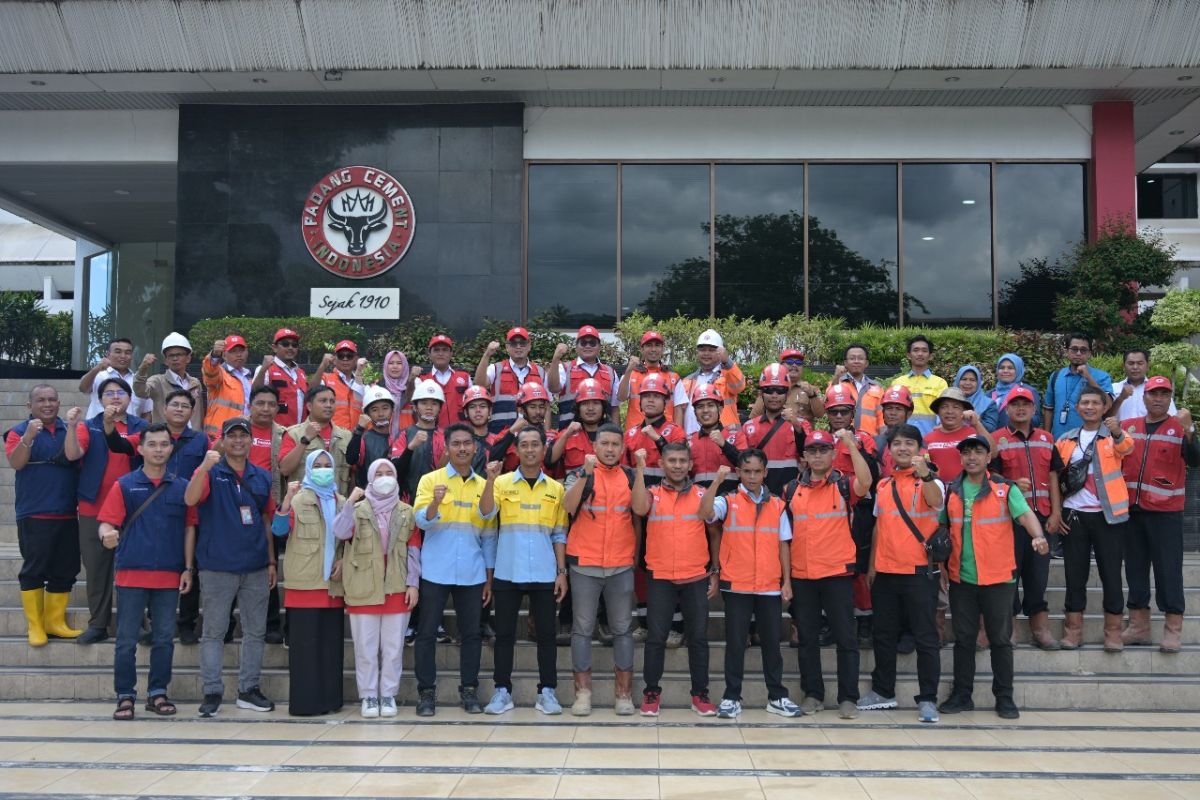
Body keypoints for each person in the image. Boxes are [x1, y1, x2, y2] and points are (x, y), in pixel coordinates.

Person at [939, 434, 1049, 721]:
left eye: (978, 452)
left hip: (999, 577)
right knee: (964, 640)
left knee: (1000, 639)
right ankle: (962, 695)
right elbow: (943, 530)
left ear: (989, 458)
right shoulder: (952, 491)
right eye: (966, 453)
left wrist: (1038, 537)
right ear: (960, 459)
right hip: (962, 578)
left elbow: (1025, 516)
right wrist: (941, 567)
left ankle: (1005, 697)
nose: (971, 457)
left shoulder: (1004, 488)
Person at [97, 423, 196, 720]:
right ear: (140, 449)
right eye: (151, 444)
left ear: (171, 448)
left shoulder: (181, 486)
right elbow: (106, 522)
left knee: (164, 638)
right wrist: (106, 535)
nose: (158, 449)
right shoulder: (125, 485)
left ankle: (157, 693)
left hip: (168, 574)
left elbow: (190, 528)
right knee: (126, 639)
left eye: (164, 444)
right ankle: (125, 695)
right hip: (131, 573)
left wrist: (188, 568)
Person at [185, 418, 277, 718]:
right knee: (213, 631)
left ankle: (248, 689)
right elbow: (190, 498)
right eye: (232, 436)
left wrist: (272, 560)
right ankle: (212, 691)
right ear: (222, 440)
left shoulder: (261, 476)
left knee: (255, 631)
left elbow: (266, 521)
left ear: (251, 441)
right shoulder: (211, 472)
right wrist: (204, 467)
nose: (238, 441)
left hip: (255, 566)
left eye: (244, 436)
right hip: (217, 566)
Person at [700, 453, 801, 719]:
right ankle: (732, 697)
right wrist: (717, 482)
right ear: (739, 472)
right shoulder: (728, 500)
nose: (752, 477)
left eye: (757, 471)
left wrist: (787, 581)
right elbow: (704, 512)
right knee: (735, 644)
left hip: (769, 584)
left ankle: (777, 696)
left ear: (765, 472)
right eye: (747, 471)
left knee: (771, 644)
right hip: (737, 584)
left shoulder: (778, 504)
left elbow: (783, 544)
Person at [858, 423, 945, 724]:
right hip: (885, 571)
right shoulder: (883, 485)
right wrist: (871, 567)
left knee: (925, 637)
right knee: (883, 635)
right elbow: (880, 527)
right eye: (897, 444)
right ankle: (883, 691)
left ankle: (928, 698)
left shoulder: (931, 481)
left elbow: (936, 501)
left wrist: (926, 473)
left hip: (920, 571)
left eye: (910, 443)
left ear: (920, 449)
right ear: (889, 450)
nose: (903, 448)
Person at [479, 429, 569, 715]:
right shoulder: (501, 483)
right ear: (516, 450)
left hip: (544, 572)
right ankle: (502, 691)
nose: (530, 450)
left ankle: (547, 692)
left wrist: (561, 571)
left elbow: (558, 534)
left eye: (536, 445)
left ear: (544, 450)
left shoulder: (556, 489)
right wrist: (490, 481)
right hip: (508, 569)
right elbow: (485, 515)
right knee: (504, 635)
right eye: (525, 445)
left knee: (546, 635)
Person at [412, 423, 498, 716]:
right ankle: (426, 692)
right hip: (436, 569)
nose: (462, 448)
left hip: (473, 572)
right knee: (425, 633)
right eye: (456, 444)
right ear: (446, 448)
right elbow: (422, 521)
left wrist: (488, 578)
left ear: (476, 448)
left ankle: (469, 689)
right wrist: (436, 502)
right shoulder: (430, 480)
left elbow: (488, 527)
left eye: (467, 443)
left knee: (472, 634)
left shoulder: (484, 484)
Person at [785, 429, 872, 719]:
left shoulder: (845, 486)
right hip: (803, 574)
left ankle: (849, 698)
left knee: (846, 639)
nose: (818, 455)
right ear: (805, 457)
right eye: (813, 451)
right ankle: (813, 694)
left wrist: (849, 443)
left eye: (824, 450)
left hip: (836, 573)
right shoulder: (790, 490)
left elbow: (867, 480)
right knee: (807, 639)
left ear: (833, 455)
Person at [631, 441, 718, 717]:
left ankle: (700, 694)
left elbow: (715, 532)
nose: (678, 466)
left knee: (698, 638)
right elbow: (637, 508)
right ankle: (651, 692)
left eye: (683, 461)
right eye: (672, 461)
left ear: (690, 465)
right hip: (661, 576)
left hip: (695, 575)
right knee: (656, 637)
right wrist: (641, 470)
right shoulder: (652, 493)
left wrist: (715, 570)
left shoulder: (702, 494)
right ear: (663, 464)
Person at [1049, 386, 1133, 651]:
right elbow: (1056, 478)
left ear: (1104, 407)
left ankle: (1113, 632)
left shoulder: (1112, 436)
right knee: (1075, 575)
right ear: (1077, 408)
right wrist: (1058, 510)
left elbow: (1127, 448)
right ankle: (1073, 630)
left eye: (1095, 403)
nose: (1089, 407)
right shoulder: (1065, 440)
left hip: (1108, 517)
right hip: (1074, 516)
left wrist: (1117, 430)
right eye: (1084, 402)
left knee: (1111, 574)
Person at [65, 377, 148, 644]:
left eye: (120, 392)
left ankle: (136, 623)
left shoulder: (142, 427)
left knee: (134, 569)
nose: (115, 397)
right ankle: (98, 625)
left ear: (130, 397)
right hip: (94, 507)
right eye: (108, 393)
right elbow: (73, 455)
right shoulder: (89, 427)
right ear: (99, 400)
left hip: (133, 509)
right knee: (98, 570)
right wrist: (70, 426)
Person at [562, 423, 638, 716]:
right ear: (594, 446)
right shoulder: (577, 474)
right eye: (604, 443)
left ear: (622, 448)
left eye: (615, 445)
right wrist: (585, 474)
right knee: (582, 630)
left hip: (620, 564)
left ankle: (624, 693)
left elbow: (640, 512)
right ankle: (582, 693)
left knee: (622, 630)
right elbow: (569, 507)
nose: (609, 449)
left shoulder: (629, 477)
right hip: (585, 564)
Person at [335, 459, 420, 718]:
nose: (385, 477)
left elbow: (414, 550)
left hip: (396, 586)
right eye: (379, 473)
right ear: (370, 478)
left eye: (389, 473)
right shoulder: (358, 508)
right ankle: (369, 696)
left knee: (393, 648)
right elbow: (340, 531)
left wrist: (413, 584)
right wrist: (350, 502)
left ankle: (388, 695)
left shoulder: (407, 511)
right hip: (363, 586)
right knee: (366, 648)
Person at [1120, 376, 1197, 652]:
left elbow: (1196, 459)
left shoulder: (1180, 428)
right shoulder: (1129, 427)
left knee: (1169, 572)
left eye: (1164, 394)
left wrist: (1190, 431)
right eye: (1153, 394)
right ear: (1144, 397)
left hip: (1166, 513)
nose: (1158, 399)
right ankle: (1139, 626)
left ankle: (1172, 629)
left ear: (1170, 398)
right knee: (1135, 570)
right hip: (1133, 511)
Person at [6, 385, 81, 647]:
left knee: (66, 569)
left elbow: (75, 455)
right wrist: (28, 436)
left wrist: (71, 427)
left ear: (59, 403)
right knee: (34, 569)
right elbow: (16, 463)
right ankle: (35, 626)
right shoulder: (16, 432)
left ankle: (55, 623)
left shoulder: (68, 429)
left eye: (52, 399)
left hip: (67, 513)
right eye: (41, 400)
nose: (47, 404)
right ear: (29, 406)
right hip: (34, 512)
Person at [271, 452, 345, 716]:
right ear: (309, 470)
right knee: (305, 649)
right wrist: (287, 499)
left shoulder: (342, 502)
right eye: (318, 466)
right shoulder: (299, 499)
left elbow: (350, 541)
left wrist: (344, 561)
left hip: (333, 586)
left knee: (330, 648)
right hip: (304, 583)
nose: (324, 470)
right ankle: (305, 704)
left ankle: (330, 701)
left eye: (328, 466)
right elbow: (279, 530)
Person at [991, 386, 1063, 649]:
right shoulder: (996, 440)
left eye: (1026, 404)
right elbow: (990, 477)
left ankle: (1040, 629)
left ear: (1034, 409)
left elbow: (1054, 476)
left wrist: (1056, 511)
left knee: (1037, 576)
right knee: (1009, 574)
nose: (1020, 409)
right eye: (1014, 404)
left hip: (1042, 516)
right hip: (1009, 520)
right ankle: (1008, 629)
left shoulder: (1047, 438)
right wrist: (1009, 482)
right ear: (1006, 409)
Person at [824, 384, 881, 651]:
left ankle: (865, 621)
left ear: (852, 413)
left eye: (843, 411)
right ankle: (832, 623)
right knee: (830, 569)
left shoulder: (866, 440)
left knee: (858, 569)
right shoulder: (821, 439)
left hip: (858, 511)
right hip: (827, 513)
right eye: (833, 411)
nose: (838, 416)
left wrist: (851, 444)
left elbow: (871, 474)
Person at [735, 364, 808, 495]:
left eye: (780, 390)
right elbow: (743, 464)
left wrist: (796, 425)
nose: (774, 395)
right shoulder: (748, 427)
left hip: (791, 495)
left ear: (788, 393)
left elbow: (806, 453)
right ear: (762, 393)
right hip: (758, 496)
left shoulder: (802, 425)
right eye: (769, 390)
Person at [278, 384, 352, 495]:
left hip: (337, 505)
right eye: (323, 401)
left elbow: (353, 475)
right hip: (303, 506)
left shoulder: (346, 435)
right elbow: (285, 469)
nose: (328, 405)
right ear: (309, 406)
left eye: (332, 401)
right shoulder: (294, 433)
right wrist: (305, 440)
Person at [476, 326, 549, 434]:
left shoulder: (540, 372)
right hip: (500, 435)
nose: (518, 347)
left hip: (531, 437)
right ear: (507, 347)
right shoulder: (496, 368)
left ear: (529, 346)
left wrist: (546, 435)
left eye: (522, 343)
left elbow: (547, 406)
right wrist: (487, 354)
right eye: (514, 344)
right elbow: (478, 385)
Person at [1043, 333, 1113, 438]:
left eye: (1083, 350)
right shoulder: (1056, 376)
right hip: (1059, 440)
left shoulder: (1101, 376)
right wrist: (1047, 437)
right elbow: (1049, 409)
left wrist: (1088, 377)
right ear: (1067, 351)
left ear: (1089, 353)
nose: (1078, 353)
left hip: (1090, 442)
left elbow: (1108, 404)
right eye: (1074, 349)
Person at [550, 326, 621, 428]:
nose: (588, 346)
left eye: (592, 343)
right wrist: (556, 358)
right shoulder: (564, 368)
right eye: (583, 342)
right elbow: (553, 388)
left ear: (599, 347)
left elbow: (614, 407)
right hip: (569, 434)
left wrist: (616, 434)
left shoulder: (610, 372)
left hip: (602, 436)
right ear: (576, 346)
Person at [390, 379, 448, 503]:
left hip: (439, 502)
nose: (429, 407)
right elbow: (395, 471)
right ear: (415, 407)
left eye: (434, 403)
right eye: (424, 403)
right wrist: (410, 447)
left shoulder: (447, 438)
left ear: (440, 408)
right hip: (407, 502)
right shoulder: (404, 434)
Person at [623, 374, 686, 485]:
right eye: (646, 396)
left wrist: (658, 440)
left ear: (665, 403)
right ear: (640, 401)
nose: (651, 400)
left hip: (667, 495)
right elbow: (623, 471)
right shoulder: (629, 435)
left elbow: (679, 463)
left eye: (656, 396)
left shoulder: (676, 432)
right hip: (636, 495)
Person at [133, 332, 204, 429]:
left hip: (193, 438)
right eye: (170, 355)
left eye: (179, 354)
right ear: (165, 360)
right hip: (166, 439)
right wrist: (142, 369)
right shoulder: (157, 381)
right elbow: (140, 391)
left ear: (188, 358)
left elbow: (199, 414)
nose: (175, 358)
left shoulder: (195, 383)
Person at [618, 330, 688, 429]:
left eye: (657, 345)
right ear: (642, 349)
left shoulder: (673, 377)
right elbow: (621, 397)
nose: (653, 349)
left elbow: (678, 409)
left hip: (665, 435)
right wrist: (628, 371)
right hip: (636, 435)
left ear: (663, 349)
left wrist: (678, 438)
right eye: (649, 345)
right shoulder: (632, 374)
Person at [681, 329, 745, 434]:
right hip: (693, 441)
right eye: (702, 349)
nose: (706, 353)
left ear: (720, 352)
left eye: (711, 350)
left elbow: (739, 386)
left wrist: (727, 362)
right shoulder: (687, 381)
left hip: (725, 440)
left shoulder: (727, 376)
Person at [924, 387, 994, 483]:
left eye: (956, 407)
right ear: (938, 412)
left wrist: (977, 423)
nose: (950, 411)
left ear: (964, 411)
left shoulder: (974, 433)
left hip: (969, 493)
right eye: (944, 407)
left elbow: (993, 453)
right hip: (939, 494)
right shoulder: (928, 438)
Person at [488, 381, 557, 473]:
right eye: (532, 407)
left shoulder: (552, 436)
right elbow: (493, 458)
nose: (538, 412)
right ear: (521, 409)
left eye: (541, 407)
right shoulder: (508, 434)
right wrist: (511, 433)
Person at [251, 327, 311, 428]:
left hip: (299, 432)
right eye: (285, 344)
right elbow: (254, 394)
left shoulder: (301, 372)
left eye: (294, 345)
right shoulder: (266, 369)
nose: (290, 347)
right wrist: (264, 369)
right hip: (276, 432)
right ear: (274, 348)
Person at [81, 337, 152, 421]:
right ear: (107, 355)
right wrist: (97, 368)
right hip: (99, 431)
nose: (123, 356)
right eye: (118, 352)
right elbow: (83, 388)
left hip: (130, 432)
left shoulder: (139, 381)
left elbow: (146, 412)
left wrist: (142, 432)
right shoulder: (99, 376)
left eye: (127, 353)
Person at [687, 384, 739, 494]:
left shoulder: (736, 435)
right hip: (699, 503)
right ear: (695, 412)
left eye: (710, 405)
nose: (705, 410)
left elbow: (746, 465)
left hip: (729, 502)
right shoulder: (689, 441)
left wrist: (725, 445)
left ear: (720, 409)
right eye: (700, 407)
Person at [890, 335, 947, 435]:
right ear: (908, 355)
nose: (920, 354)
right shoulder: (897, 383)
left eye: (924, 351)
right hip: (903, 437)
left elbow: (944, 410)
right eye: (916, 350)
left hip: (930, 436)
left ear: (930, 356)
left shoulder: (940, 383)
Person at [548, 378, 607, 474]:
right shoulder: (566, 434)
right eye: (585, 404)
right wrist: (566, 435)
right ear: (578, 408)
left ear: (603, 407)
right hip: (575, 486)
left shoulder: (612, 435)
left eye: (596, 403)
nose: (590, 408)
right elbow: (549, 462)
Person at [202, 335, 253, 439]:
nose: (239, 354)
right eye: (233, 351)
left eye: (241, 350)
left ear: (247, 352)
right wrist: (215, 355)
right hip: (219, 437)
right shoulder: (220, 373)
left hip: (244, 434)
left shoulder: (249, 377)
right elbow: (210, 371)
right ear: (224, 355)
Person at [347, 386, 398, 489]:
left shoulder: (400, 437)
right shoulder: (363, 438)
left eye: (385, 408)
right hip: (368, 497)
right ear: (367, 414)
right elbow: (350, 459)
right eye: (374, 410)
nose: (381, 414)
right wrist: (359, 429)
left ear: (392, 410)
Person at [418, 334, 473, 429]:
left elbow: (472, 405)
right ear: (429, 354)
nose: (441, 353)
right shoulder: (421, 379)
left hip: (462, 434)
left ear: (451, 354)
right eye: (436, 350)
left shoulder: (464, 377)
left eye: (445, 350)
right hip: (433, 434)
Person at [831, 343, 884, 436]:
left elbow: (882, 420)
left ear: (866, 363)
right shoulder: (837, 383)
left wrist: (883, 442)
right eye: (852, 358)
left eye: (860, 358)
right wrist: (836, 377)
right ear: (845, 363)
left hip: (870, 442)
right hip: (842, 438)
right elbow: (827, 403)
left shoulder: (877, 387)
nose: (856, 361)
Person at [1111, 349, 1177, 422]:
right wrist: (1120, 398)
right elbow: (1104, 418)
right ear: (1123, 366)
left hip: (1150, 433)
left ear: (1147, 366)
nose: (1135, 367)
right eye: (1131, 363)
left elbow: (1172, 417)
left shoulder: (1158, 390)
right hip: (1119, 432)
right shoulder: (1113, 388)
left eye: (1140, 363)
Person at [321, 339, 367, 432]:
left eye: (349, 356)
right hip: (332, 436)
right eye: (341, 356)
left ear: (356, 359)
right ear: (334, 360)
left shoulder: (362, 382)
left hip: (356, 437)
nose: (345, 359)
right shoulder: (325, 379)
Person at [989, 353, 1042, 431]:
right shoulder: (989, 394)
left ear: (1018, 370)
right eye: (1002, 367)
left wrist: (1019, 418)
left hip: (1017, 439)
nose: (1005, 371)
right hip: (992, 439)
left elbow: (1036, 420)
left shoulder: (1029, 391)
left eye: (1010, 368)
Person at [462, 385, 499, 476]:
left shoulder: (498, 440)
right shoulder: (460, 442)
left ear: (490, 411)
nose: (478, 410)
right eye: (472, 407)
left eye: (482, 406)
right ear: (466, 412)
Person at [953, 365, 999, 432]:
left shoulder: (989, 404)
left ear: (978, 383)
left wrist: (976, 419)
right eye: (964, 379)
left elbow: (991, 429)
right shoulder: (950, 401)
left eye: (972, 380)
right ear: (957, 381)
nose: (967, 383)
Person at [379, 349, 415, 431]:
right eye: (390, 363)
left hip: (408, 438)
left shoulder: (414, 386)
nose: (395, 366)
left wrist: (411, 382)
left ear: (405, 365)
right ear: (385, 366)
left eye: (399, 363)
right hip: (383, 437)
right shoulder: (377, 388)